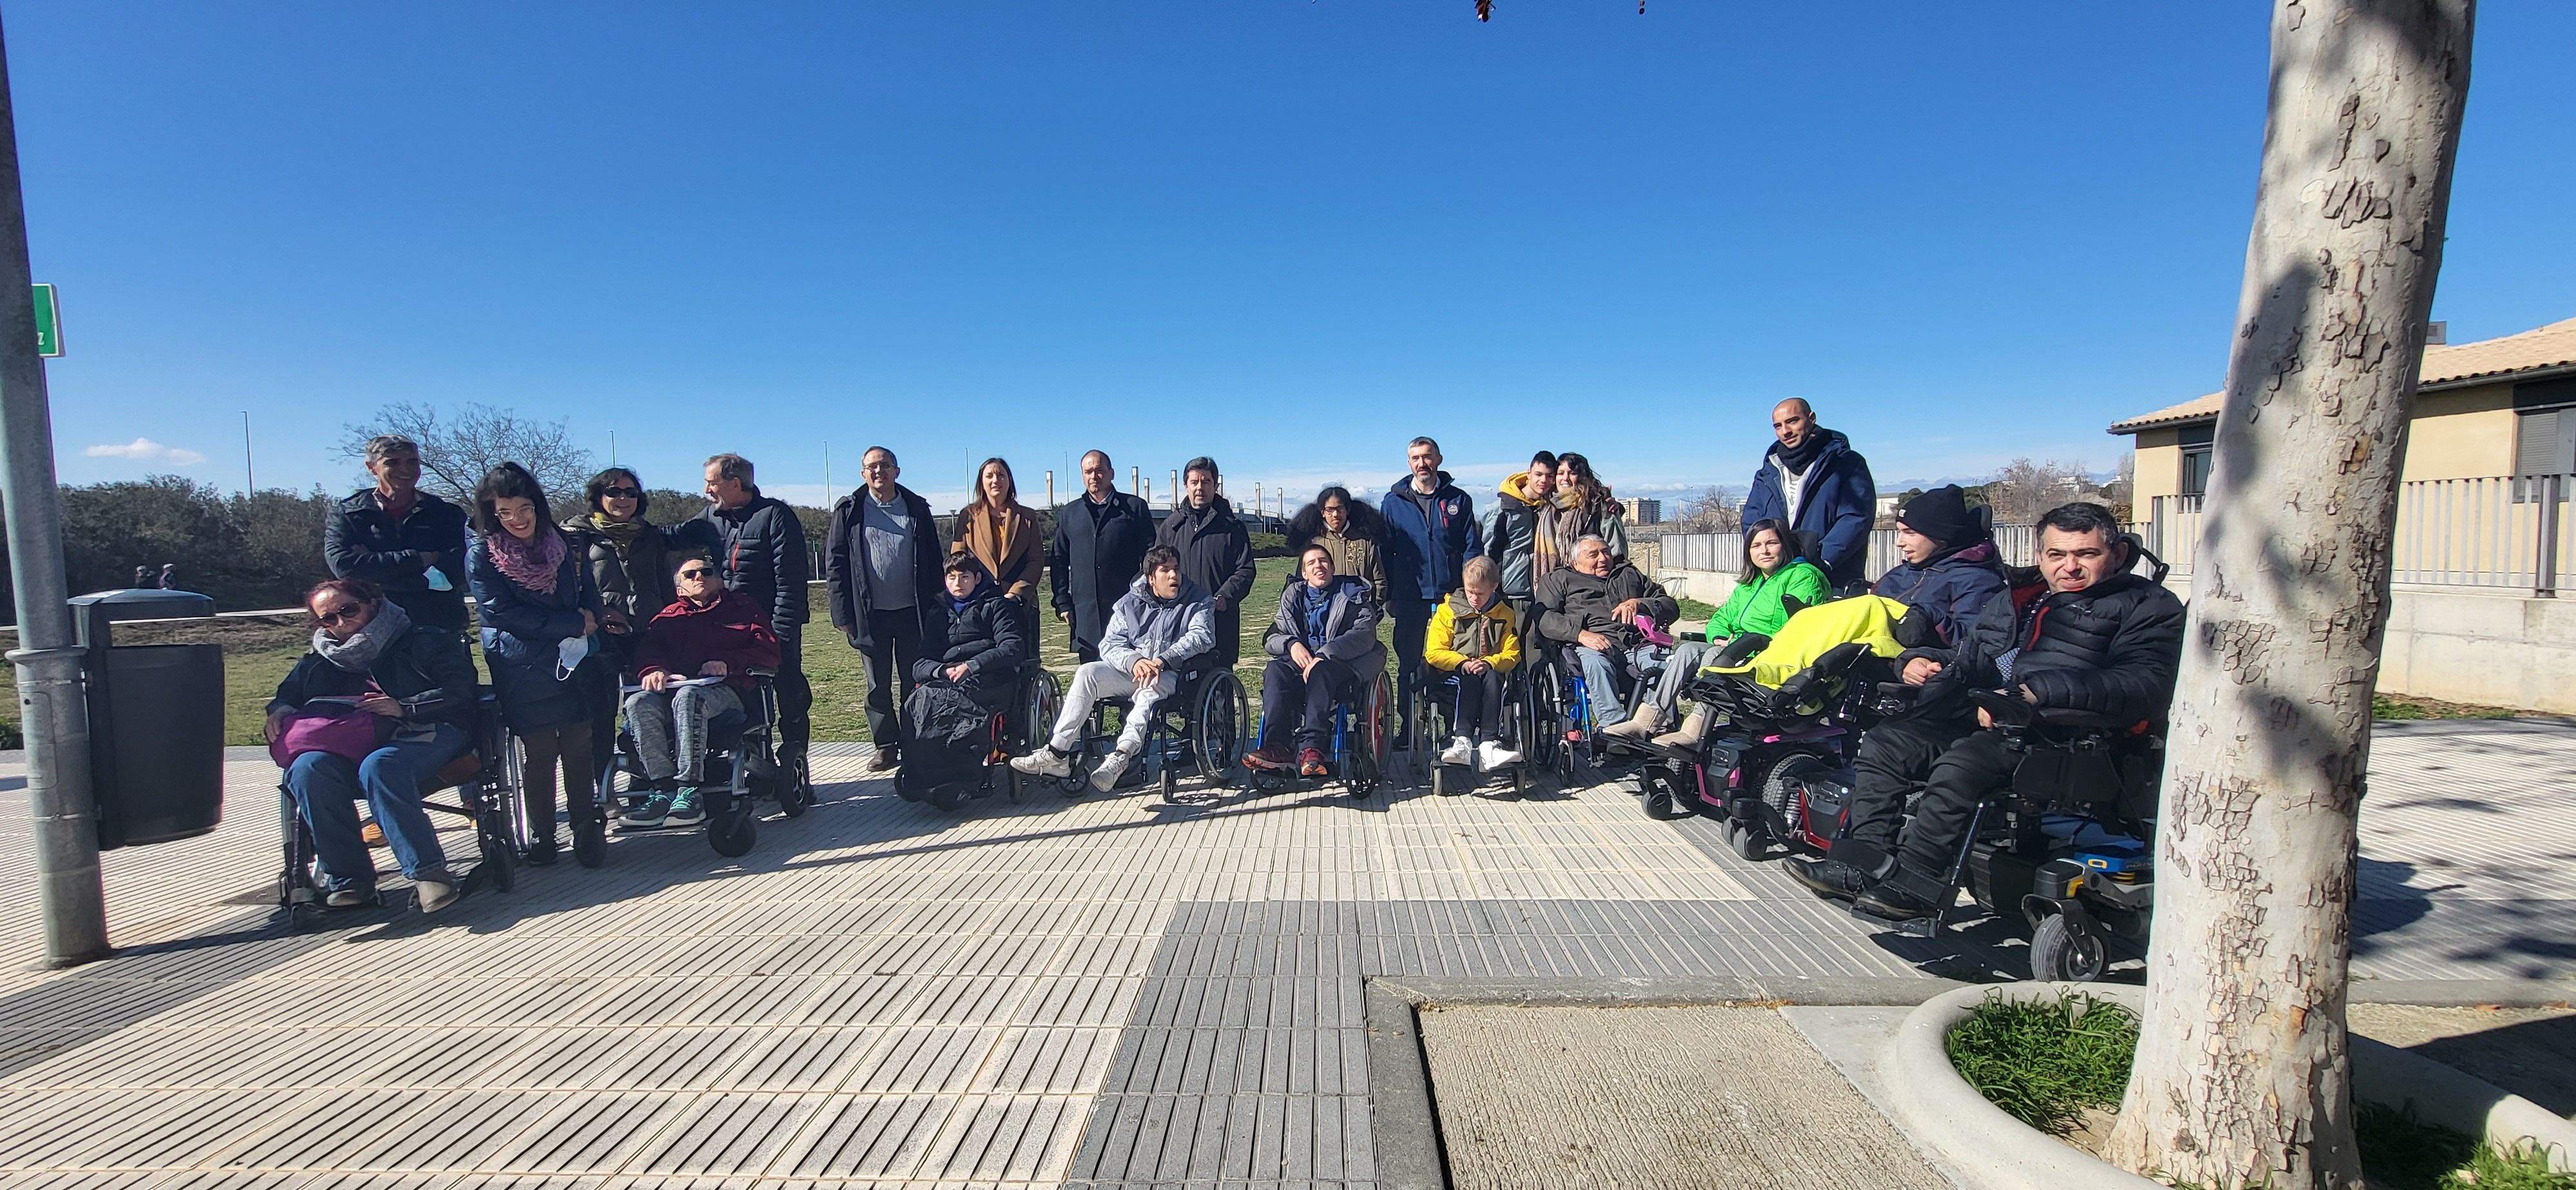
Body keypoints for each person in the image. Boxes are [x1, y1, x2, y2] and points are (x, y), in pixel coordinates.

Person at [1801, 504, 2184, 918]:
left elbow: (2146, 685)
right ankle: (1858, 866)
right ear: (2040, 556)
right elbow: (1976, 656)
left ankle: (1917, 885)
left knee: (1960, 767)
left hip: (2066, 737)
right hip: (1992, 718)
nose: (2070, 567)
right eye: (2057, 555)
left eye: (2086, 555)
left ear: (2117, 555)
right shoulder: (2024, 598)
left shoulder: (2148, 606)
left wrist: (2035, 694)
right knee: (1888, 742)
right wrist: (1920, 660)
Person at [269, 578, 476, 912]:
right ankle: (349, 879)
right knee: (308, 769)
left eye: (348, 610)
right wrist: (278, 711)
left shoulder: (423, 640)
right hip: (351, 740)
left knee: (380, 766)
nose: (340, 623)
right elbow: (287, 695)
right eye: (328, 619)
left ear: (372, 604)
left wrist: (405, 706)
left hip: (422, 729)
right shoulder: (319, 657)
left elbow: (461, 691)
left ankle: (428, 874)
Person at [466, 462, 601, 865]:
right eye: (504, 512)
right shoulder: (482, 554)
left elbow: (586, 591)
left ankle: (586, 826)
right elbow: (499, 612)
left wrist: (589, 620)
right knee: (540, 751)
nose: (516, 520)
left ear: (537, 505)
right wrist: (572, 623)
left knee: (580, 744)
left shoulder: (567, 544)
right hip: (520, 663)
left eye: (524, 508)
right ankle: (543, 835)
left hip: (572, 658)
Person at [1607, 518, 1830, 746]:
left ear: (1785, 545)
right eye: (1756, 545)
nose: (1764, 550)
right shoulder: (1748, 586)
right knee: (1688, 650)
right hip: (1741, 649)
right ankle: (1646, 721)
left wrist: (1744, 644)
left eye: (1771, 543)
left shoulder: (1802, 577)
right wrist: (1720, 637)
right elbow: (1720, 619)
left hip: (1772, 655)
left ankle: (1696, 728)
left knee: (1715, 657)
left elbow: (1801, 627)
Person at [1014, 546, 1216, 793]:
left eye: (1176, 569)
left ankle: (1121, 756)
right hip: (1134, 670)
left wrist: (1163, 659)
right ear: (1151, 577)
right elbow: (1109, 644)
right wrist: (1135, 661)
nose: (1174, 576)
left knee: (1148, 691)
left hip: (1172, 673)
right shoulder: (1128, 603)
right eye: (1165, 570)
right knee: (1087, 673)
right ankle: (1056, 753)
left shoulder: (1198, 600)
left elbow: (1202, 636)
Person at [618, 552, 781, 829]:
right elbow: (648, 654)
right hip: (673, 694)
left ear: (719, 579)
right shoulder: (667, 618)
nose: (699, 578)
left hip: (728, 695)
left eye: (706, 572)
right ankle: (662, 790)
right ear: (679, 587)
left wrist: (728, 663)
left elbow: (768, 651)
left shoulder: (743, 608)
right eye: (690, 575)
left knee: (689, 697)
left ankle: (688, 789)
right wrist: (654, 670)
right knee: (638, 704)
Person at [826, 446, 945, 773]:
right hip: (869, 615)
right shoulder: (849, 510)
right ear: (863, 473)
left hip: (913, 613)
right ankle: (885, 746)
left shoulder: (917, 508)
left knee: (914, 681)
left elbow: (934, 561)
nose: (878, 472)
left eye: (885, 466)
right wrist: (842, 615)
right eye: (871, 467)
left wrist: (937, 606)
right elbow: (835, 564)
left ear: (897, 471)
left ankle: (913, 741)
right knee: (877, 686)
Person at [696, 453, 812, 780]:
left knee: (790, 696)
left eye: (711, 482)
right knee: (745, 696)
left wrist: (780, 633)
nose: (707, 490)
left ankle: (795, 767)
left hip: (773, 626)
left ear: (735, 484)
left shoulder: (775, 516)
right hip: (729, 629)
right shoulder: (710, 518)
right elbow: (672, 536)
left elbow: (789, 580)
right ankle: (756, 767)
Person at [560, 467, 680, 775]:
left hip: (646, 634)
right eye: (614, 491)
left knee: (646, 710)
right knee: (600, 715)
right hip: (600, 638)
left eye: (630, 492)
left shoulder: (649, 535)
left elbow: (664, 584)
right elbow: (569, 587)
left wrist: (671, 623)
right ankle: (601, 790)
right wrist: (599, 614)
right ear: (599, 497)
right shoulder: (576, 535)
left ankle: (646, 784)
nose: (623, 498)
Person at [1244, 543, 1387, 777]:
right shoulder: (1293, 597)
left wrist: (1324, 654)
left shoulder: (1353, 595)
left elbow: (1363, 635)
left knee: (1321, 672)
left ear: (1332, 567)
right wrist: (1292, 644)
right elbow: (1273, 635)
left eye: (1323, 561)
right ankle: (1277, 747)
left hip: (1340, 665)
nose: (1318, 566)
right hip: (1300, 664)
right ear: (1304, 573)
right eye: (1311, 563)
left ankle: (1312, 748)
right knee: (1275, 670)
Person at [900, 555, 1031, 796]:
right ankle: (922, 774)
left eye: (964, 577)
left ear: (977, 578)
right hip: (947, 679)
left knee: (955, 710)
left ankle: (962, 778)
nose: (958, 583)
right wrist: (941, 670)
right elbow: (920, 661)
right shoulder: (938, 613)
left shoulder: (996, 607)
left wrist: (972, 665)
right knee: (917, 703)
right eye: (952, 578)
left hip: (988, 678)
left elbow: (1012, 648)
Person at [1378, 437, 1479, 746]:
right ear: (1409, 463)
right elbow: (1385, 552)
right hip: (1410, 597)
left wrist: (1468, 590)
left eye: (1427, 456)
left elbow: (1470, 549)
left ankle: (1453, 727)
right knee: (1408, 664)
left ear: (1439, 459)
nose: (1422, 463)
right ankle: (1409, 728)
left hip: (1452, 597)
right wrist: (1391, 594)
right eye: (1415, 458)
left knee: (1453, 659)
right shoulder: (1393, 502)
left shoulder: (1458, 500)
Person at [325, 434, 470, 632]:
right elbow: (345, 567)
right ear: (371, 467)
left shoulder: (445, 513)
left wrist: (378, 579)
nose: (405, 469)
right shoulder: (348, 513)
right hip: (373, 629)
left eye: (412, 462)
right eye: (392, 462)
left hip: (438, 628)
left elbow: (458, 569)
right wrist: (420, 559)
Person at [1535, 535, 1680, 734]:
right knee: (1597, 664)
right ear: (1575, 562)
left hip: (1636, 644)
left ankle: (1661, 727)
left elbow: (1670, 605)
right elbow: (1545, 619)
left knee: (1663, 665)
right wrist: (1580, 634)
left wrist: (1641, 603)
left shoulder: (1628, 574)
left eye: (1606, 552)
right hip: (1590, 644)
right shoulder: (1559, 579)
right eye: (1593, 555)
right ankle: (1615, 728)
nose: (1603, 559)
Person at [1739, 399, 1877, 590]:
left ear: (1811, 419)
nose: (1785, 431)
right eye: (1778, 426)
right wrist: (1766, 559)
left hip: (1831, 582)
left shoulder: (1846, 464)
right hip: (1776, 581)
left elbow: (1855, 518)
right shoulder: (1767, 473)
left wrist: (1820, 562)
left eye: (1793, 421)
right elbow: (1752, 522)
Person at [1048, 449, 1157, 665]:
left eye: (1099, 470)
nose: (1093, 476)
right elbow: (1059, 560)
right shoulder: (1070, 514)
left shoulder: (1134, 508)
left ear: (1111, 473)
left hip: (1128, 610)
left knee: (1129, 680)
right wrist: (1062, 602)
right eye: (1088, 471)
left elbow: (1150, 557)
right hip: (1085, 614)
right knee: (1091, 680)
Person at [1870, 485, 2009, 649]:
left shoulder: (1977, 581)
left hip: (1926, 669)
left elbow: (1975, 641)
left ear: (1940, 535)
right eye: (1899, 532)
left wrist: (1931, 620)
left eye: (1909, 533)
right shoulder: (1904, 572)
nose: (1899, 542)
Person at [1422, 555, 1524, 770]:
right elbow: (1434, 652)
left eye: (1480, 593)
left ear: (1494, 587)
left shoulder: (1504, 614)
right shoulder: (1448, 610)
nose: (1474, 598)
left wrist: (1490, 662)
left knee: (1493, 678)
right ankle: (1462, 741)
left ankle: (1488, 744)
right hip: (1451, 673)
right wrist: (1461, 662)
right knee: (1468, 678)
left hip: (1490, 672)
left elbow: (1512, 653)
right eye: (1470, 591)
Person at [1155, 457, 1256, 668]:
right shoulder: (1170, 527)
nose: (1200, 488)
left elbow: (1245, 569)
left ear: (1215, 486)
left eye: (1206, 482)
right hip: (1178, 622)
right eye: (1194, 482)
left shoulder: (1232, 527)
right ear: (1186, 486)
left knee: (1219, 689)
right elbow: (1155, 569)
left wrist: (1224, 597)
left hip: (1220, 621)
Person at [951, 457, 1043, 643]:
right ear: (981, 482)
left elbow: (1036, 560)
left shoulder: (1027, 516)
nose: (996, 480)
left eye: (1001, 475)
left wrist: (1015, 595)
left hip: (1019, 604)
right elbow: (958, 560)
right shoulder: (968, 516)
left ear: (1009, 480)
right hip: (980, 604)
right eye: (990, 476)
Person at [1481, 450, 1560, 611]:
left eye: (1549, 476)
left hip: (1545, 591)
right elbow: (1489, 551)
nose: (1543, 480)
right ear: (1529, 474)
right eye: (1539, 474)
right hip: (1510, 593)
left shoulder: (1551, 507)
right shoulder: (1503, 509)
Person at [1285, 486, 1387, 612]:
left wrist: (1371, 610)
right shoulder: (1313, 543)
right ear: (1322, 512)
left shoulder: (1365, 542)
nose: (1335, 515)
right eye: (1329, 510)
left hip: (1360, 615)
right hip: (1323, 615)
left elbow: (1380, 581)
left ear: (1348, 510)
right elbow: (1302, 582)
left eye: (1340, 509)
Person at [1553, 453, 1628, 562]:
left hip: (1590, 576)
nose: (1565, 478)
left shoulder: (1598, 506)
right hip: (1555, 577)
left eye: (1572, 473)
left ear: (1582, 477)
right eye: (1560, 473)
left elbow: (1616, 549)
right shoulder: (1547, 506)